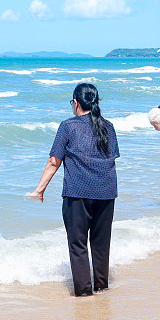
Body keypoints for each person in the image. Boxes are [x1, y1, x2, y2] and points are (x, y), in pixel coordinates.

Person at [26, 83, 120, 296]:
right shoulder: (109, 126)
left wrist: (39, 190)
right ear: (96, 102)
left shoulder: (68, 126)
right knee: (101, 243)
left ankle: (84, 293)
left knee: (78, 245)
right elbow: (110, 157)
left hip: (78, 193)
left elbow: (53, 161)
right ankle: (102, 288)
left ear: (76, 103)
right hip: (106, 192)